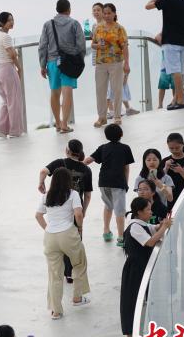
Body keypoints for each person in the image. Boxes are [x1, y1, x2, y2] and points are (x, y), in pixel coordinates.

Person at [35, 168, 90, 319]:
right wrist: (79, 228)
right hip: (68, 233)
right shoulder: (73, 194)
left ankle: (56, 311)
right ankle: (77, 298)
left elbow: (38, 215)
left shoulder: (46, 196)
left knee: (54, 275)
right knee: (79, 264)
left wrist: (48, 229)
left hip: (50, 236)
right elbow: (78, 214)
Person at [120, 197, 172, 337]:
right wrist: (164, 229)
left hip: (141, 269)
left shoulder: (141, 225)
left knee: (141, 302)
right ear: (139, 212)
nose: (151, 212)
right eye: (148, 210)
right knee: (131, 304)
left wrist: (162, 225)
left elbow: (153, 228)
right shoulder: (135, 226)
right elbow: (150, 242)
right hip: (134, 270)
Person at [38, 139, 93, 283]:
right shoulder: (86, 170)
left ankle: (61, 270)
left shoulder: (60, 163)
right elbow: (87, 194)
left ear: (67, 150)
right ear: (80, 152)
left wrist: (41, 183)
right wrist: (84, 210)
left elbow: (43, 171)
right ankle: (70, 273)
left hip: (57, 205)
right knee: (74, 241)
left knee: (59, 236)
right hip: (75, 208)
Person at [145, 0, 184, 110]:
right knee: (181, 70)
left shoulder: (167, 0)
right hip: (183, 41)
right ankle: (175, 99)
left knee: (175, 70)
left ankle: (180, 99)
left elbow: (147, 6)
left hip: (170, 41)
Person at [39, 0, 86, 133]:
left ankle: (58, 123)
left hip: (53, 62)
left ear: (57, 9)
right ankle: (65, 124)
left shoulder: (48, 24)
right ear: (69, 9)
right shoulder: (74, 23)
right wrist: (79, 59)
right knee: (67, 93)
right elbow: (81, 45)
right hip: (69, 62)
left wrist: (43, 65)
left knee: (55, 93)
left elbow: (42, 46)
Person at [84, 124, 135, 247]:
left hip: (103, 182)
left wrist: (74, 165)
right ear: (121, 134)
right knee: (120, 211)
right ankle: (121, 237)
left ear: (106, 136)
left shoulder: (103, 148)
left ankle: (106, 231)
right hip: (118, 182)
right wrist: (126, 184)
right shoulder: (125, 148)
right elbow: (126, 168)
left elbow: (87, 161)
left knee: (108, 206)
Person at [92, 3, 130, 126]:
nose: (107, 15)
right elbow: (93, 44)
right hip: (100, 63)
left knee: (117, 89)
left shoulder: (119, 28)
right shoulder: (98, 28)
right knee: (100, 91)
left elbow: (124, 47)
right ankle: (101, 117)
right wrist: (97, 46)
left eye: (109, 13)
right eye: (105, 13)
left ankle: (117, 116)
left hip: (116, 62)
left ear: (114, 13)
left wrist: (126, 63)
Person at [0, 12, 25, 138]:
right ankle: (15, 131)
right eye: (9, 20)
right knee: (14, 101)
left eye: (12, 20)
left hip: (0, 70)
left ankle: (0, 129)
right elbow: (12, 55)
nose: (12, 22)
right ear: (2, 23)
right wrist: (19, 68)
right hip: (8, 70)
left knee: (6, 101)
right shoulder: (6, 37)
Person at [162, 133, 184, 210]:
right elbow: (159, 182)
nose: (174, 150)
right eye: (171, 148)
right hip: (169, 200)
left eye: (177, 148)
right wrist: (166, 168)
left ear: (183, 144)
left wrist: (181, 171)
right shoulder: (165, 161)